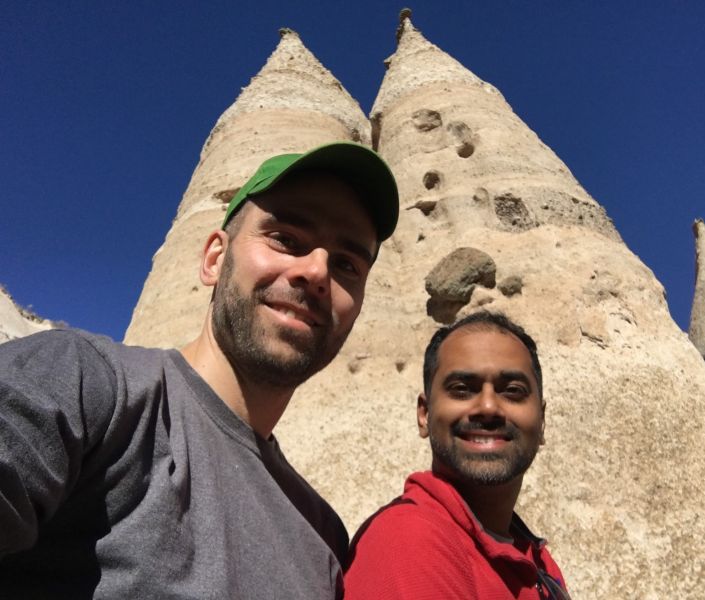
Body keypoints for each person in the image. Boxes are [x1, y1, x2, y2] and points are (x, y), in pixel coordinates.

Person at [0, 141, 399, 599]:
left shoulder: (323, 534)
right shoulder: (87, 384)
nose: (317, 272)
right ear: (214, 259)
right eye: (286, 239)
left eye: (346, 264)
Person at [344, 312, 570, 599]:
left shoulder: (537, 561)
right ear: (424, 415)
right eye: (462, 390)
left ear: (542, 421)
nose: (488, 407)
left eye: (513, 391)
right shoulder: (409, 543)